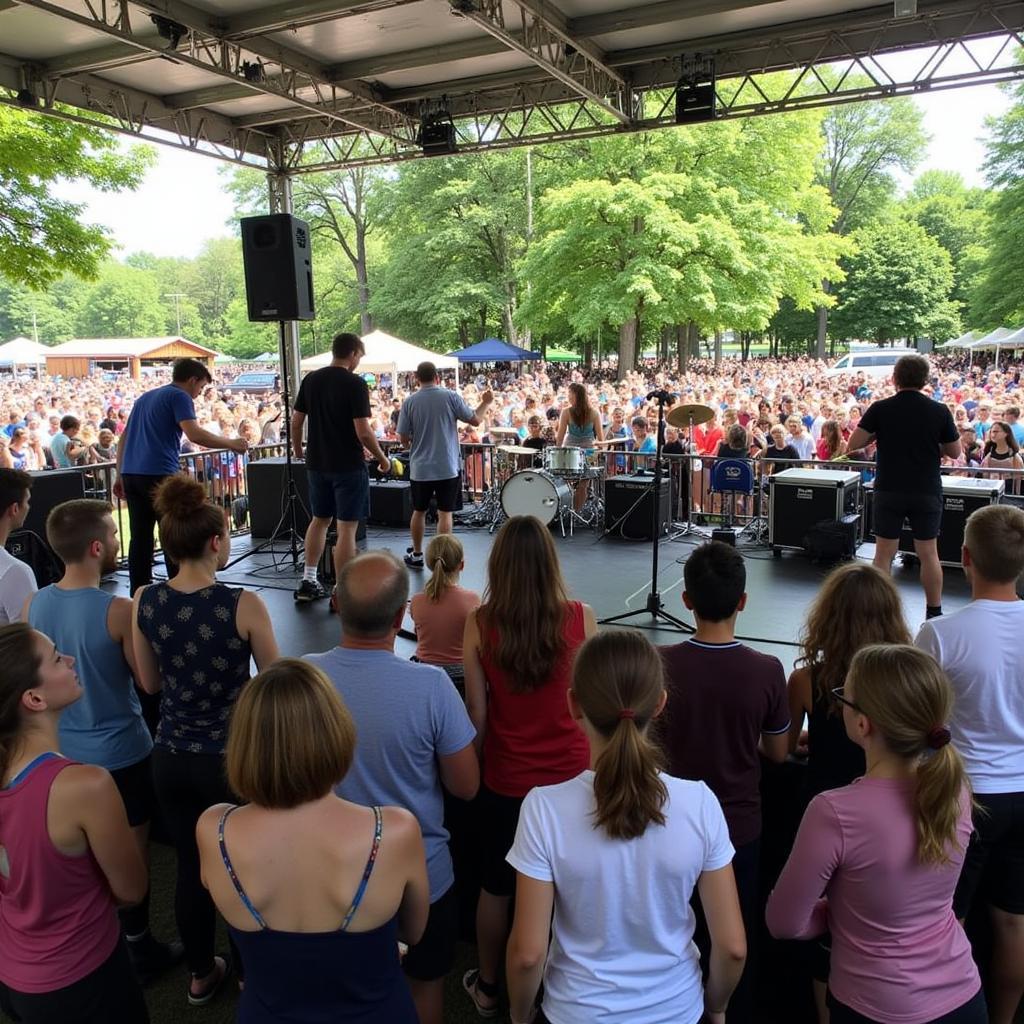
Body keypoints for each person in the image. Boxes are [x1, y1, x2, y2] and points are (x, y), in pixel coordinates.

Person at [506, 630, 747, 1024]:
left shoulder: (542, 809)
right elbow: (733, 947)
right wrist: (716, 1007)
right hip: (678, 1011)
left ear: (573, 705)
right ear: (660, 703)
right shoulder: (700, 803)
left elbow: (527, 954)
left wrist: (519, 1016)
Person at [196, 659, 430, 1024]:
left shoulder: (214, 829)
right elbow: (413, 931)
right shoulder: (394, 831)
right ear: (336, 732)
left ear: (244, 743)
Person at [767, 645, 985, 1024]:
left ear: (863, 724)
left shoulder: (833, 812)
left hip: (875, 1008)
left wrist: (840, 911)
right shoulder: (957, 791)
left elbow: (783, 922)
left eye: (844, 698)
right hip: (963, 999)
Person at [304, 550, 478, 1024]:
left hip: (324, 875)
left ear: (336, 603)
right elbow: (465, 786)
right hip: (421, 880)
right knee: (424, 988)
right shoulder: (433, 687)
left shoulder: (304, 678)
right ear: (401, 614)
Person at [132, 475, 279, 1006]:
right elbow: (275, 678)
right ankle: (245, 970)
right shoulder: (242, 603)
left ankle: (199, 973)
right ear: (217, 541)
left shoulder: (144, 600)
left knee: (193, 869)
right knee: (243, 865)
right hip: (230, 757)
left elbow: (149, 684)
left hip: (170, 754)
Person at [26, 499, 180, 984]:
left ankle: (102, 934)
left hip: (62, 752)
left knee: (84, 854)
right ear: (97, 548)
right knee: (129, 863)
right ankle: (138, 945)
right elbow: (148, 683)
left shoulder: (36, 603)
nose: (118, 542)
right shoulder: (119, 610)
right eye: (114, 536)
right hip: (122, 753)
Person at [462, 515, 598, 1018]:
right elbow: (591, 705)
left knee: (496, 887)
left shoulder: (480, 622)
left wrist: (470, 771)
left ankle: (491, 985)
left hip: (506, 781)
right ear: (550, 563)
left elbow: (477, 712)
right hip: (573, 780)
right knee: (570, 888)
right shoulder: (581, 617)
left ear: (498, 565)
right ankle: (564, 982)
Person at [659, 541, 789, 1024]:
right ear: (743, 601)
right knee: (734, 933)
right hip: (738, 831)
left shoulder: (659, 662)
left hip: (668, 827)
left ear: (686, 600)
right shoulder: (766, 670)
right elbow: (777, 751)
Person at [0, 623, 149, 1024]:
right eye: (55, 658)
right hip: (83, 978)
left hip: (15, 977)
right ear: (33, 698)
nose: (69, 660)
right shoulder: (85, 786)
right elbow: (132, 890)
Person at [786, 562, 912, 1022]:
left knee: (824, 926)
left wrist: (810, 741)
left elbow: (779, 752)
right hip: (889, 816)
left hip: (823, 815)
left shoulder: (806, 681)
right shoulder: (902, 682)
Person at [916, 504, 1024, 1024]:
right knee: (1011, 923)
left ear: (965, 559)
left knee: (946, 918)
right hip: (1023, 795)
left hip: (964, 798)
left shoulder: (940, 635)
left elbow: (915, 722)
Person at [114, 358, 247, 596]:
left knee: (140, 538)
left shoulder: (145, 397)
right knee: (173, 533)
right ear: (192, 379)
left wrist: (119, 472)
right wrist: (231, 444)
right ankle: (179, 591)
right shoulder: (179, 397)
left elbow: (124, 437)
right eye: (201, 387)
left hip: (131, 473)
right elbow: (194, 433)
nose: (199, 393)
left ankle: (139, 594)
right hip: (160, 474)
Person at [847, 354, 960, 620]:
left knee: (884, 553)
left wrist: (878, 434)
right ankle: (934, 611)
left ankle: (878, 612)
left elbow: (854, 444)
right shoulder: (939, 410)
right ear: (925, 379)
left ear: (895, 378)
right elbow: (954, 452)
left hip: (889, 488)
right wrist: (932, 442)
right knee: (929, 552)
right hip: (926, 489)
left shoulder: (881, 408)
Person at [291, 332, 390, 604]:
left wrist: (300, 451)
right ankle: (342, 590)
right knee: (346, 529)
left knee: (319, 520)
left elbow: (296, 421)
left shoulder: (311, 379)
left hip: (317, 463)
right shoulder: (355, 384)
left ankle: (308, 580)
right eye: (360, 356)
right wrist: (383, 459)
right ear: (354, 353)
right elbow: (364, 431)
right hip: (347, 465)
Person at [397, 361, 493, 569]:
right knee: (445, 512)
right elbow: (475, 420)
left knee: (419, 511)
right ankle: (442, 557)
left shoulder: (410, 402)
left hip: (420, 468)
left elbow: (403, 438)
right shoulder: (450, 396)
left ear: (416, 378)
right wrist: (486, 402)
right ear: (437, 377)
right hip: (447, 466)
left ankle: (417, 553)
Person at [409, 533, 480, 690]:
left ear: (429, 564)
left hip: (425, 674)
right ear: (461, 565)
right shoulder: (473, 600)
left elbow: (419, 632)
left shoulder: (416, 601)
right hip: (462, 675)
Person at [0, 468, 35, 624]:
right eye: (27, 502)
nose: (28, 507)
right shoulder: (14, 571)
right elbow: (29, 640)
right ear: (14, 509)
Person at [981, 420, 1023, 495]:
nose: (993, 434)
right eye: (992, 431)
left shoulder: (1014, 456)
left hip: (1009, 492)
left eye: (996, 431)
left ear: (1006, 433)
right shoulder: (988, 454)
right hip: (991, 490)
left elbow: (1019, 479)